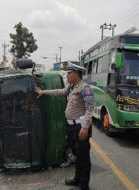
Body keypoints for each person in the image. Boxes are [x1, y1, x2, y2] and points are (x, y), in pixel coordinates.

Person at [34, 62, 94, 190]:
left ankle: (84, 186)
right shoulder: (72, 87)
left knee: (83, 158)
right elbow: (59, 92)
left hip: (80, 127)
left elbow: (90, 109)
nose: (67, 76)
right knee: (77, 155)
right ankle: (77, 179)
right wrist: (43, 92)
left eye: (69, 73)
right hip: (72, 128)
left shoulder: (86, 88)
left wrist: (85, 127)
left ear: (76, 74)